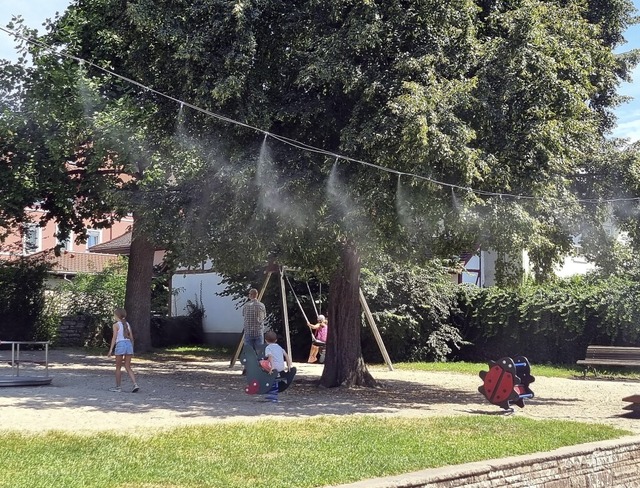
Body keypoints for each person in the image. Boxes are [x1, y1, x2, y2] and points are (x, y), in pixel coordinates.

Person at [107, 308, 139, 393]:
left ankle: (118, 387)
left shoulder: (116, 325)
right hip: (128, 344)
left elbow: (114, 338)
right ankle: (135, 384)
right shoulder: (127, 324)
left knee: (118, 367)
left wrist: (111, 350)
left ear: (116, 315)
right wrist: (132, 348)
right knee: (128, 366)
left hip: (120, 345)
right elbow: (131, 337)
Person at [263, 330, 292, 403]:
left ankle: (272, 395)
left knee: (261, 362)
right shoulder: (279, 347)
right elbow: (286, 356)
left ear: (265, 340)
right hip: (281, 367)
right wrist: (289, 365)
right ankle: (272, 394)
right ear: (276, 340)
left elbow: (270, 357)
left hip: (274, 367)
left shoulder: (268, 348)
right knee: (275, 377)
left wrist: (272, 367)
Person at [242, 288, 266, 374]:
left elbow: (244, 315)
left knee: (248, 351)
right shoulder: (261, 305)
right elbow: (264, 317)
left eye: (249, 294)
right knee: (259, 351)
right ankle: (261, 368)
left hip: (248, 331)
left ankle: (247, 368)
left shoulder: (246, 305)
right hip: (258, 331)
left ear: (251, 295)